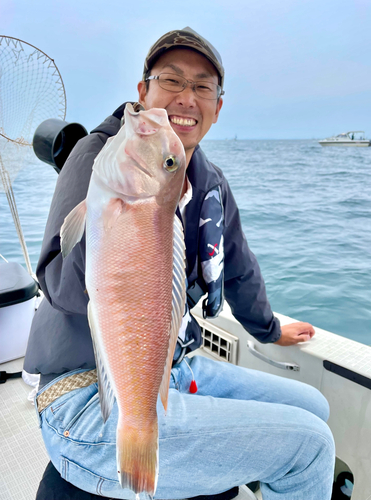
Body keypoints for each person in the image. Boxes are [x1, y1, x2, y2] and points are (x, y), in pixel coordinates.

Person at [25, 27, 335, 500]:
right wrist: (122, 220)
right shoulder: (99, 157)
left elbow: (238, 268)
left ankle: (222, 461)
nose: (187, 97)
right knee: (311, 446)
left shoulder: (209, 183)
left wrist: (270, 329)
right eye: (171, 80)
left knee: (315, 405)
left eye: (202, 86)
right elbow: (58, 284)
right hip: (78, 395)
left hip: (171, 369)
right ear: (142, 91)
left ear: (218, 106)